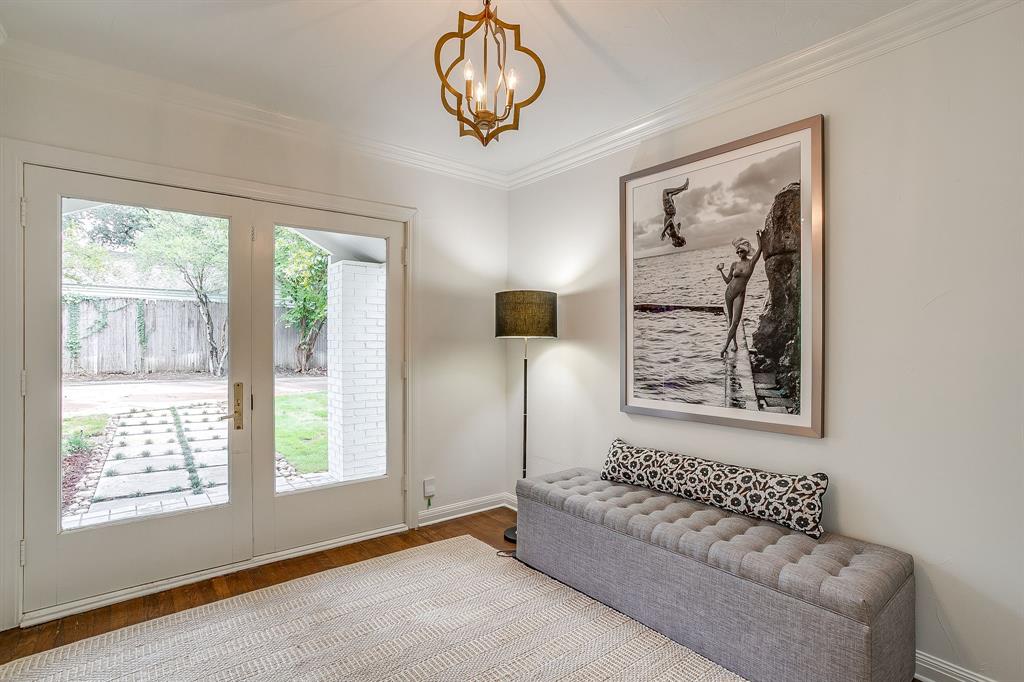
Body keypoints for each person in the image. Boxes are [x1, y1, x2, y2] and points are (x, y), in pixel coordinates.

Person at [716, 230, 763, 357]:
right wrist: (721, 271)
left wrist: (758, 235)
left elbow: (760, 249)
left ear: (746, 251)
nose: (739, 253)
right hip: (729, 293)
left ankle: (725, 347)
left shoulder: (751, 263)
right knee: (731, 320)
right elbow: (727, 281)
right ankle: (735, 344)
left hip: (739, 295)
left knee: (736, 322)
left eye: (741, 251)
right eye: (737, 251)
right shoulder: (734, 264)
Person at [660, 180, 689, 248]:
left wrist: (677, 228)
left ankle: (684, 188)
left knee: (670, 195)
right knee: (665, 191)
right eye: (674, 243)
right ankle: (683, 187)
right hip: (669, 210)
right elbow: (670, 221)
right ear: (676, 241)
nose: (673, 243)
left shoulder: (676, 233)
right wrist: (663, 232)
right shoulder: (674, 234)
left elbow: (679, 224)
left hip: (671, 211)